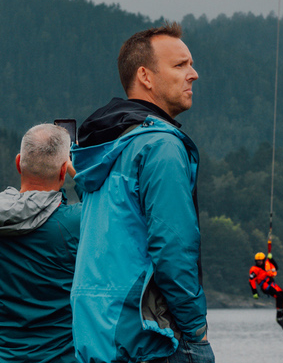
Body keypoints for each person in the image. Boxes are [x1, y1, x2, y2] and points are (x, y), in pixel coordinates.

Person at [71, 23, 212, 363]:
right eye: (180, 65)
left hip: (98, 335)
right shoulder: (160, 146)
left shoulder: (101, 147)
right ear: (146, 77)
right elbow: (173, 247)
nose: (193, 75)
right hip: (151, 340)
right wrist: (195, 332)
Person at [0, 123, 84, 363]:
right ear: (64, 172)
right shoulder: (75, 224)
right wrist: (81, 174)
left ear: (18, 163)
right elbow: (105, 216)